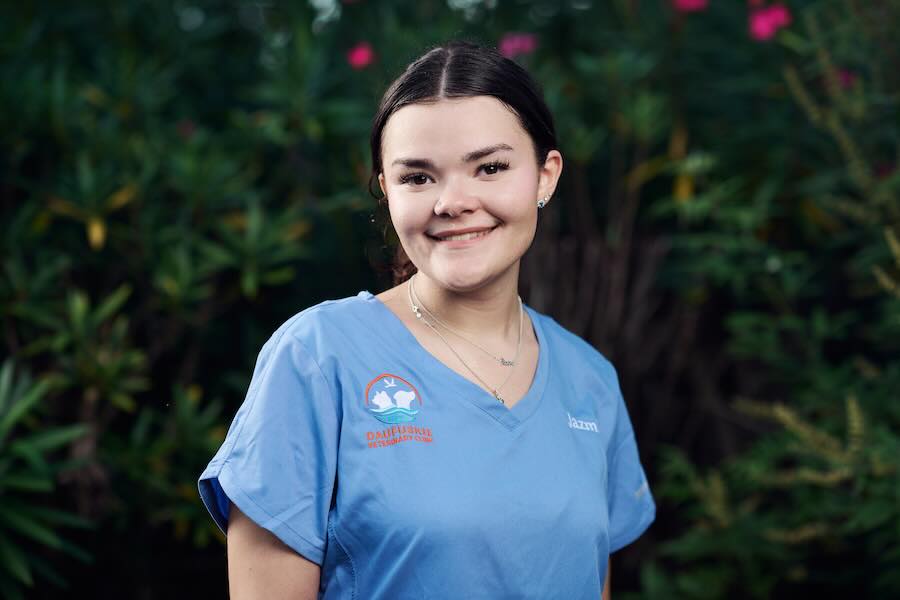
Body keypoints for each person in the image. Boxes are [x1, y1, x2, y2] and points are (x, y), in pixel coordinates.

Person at [198, 39, 655, 599]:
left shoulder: (590, 380)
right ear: (387, 190)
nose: (452, 202)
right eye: (418, 177)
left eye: (489, 167)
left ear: (545, 175)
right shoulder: (318, 358)